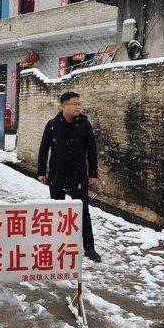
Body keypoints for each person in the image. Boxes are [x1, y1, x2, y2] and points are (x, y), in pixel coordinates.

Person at [37, 91, 101, 262]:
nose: (78, 106)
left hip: (78, 176)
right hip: (57, 175)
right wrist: (41, 172)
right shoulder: (52, 125)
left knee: (82, 212)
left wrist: (93, 171)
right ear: (63, 106)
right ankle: (59, 245)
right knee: (58, 212)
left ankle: (89, 247)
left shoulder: (84, 125)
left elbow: (91, 150)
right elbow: (44, 150)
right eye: (74, 103)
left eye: (79, 103)